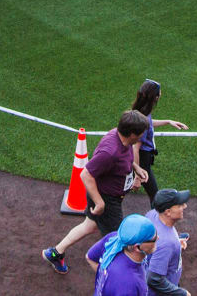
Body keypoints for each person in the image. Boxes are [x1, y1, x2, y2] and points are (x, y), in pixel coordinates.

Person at [42, 110, 148, 274]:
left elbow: (125, 157)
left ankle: (55, 253)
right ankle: (113, 276)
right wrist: (99, 202)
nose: (143, 136)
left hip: (108, 196)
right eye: (141, 133)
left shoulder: (119, 136)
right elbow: (85, 174)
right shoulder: (110, 153)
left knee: (89, 226)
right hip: (107, 200)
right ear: (132, 133)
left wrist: (136, 167)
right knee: (118, 240)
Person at [130, 79, 188, 206]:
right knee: (155, 195)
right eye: (159, 92)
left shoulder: (142, 111)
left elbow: (149, 122)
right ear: (154, 97)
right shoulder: (143, 117)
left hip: (143, 159)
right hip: (142, 160)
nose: (161, 94)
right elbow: (135, 148)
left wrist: (168, 121)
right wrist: (138, 176)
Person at [84, 214, 158, 295]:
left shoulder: (114, 238)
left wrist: (107, 276)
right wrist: (113, 277)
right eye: (153, 238)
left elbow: (89, 257)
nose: (158, 238)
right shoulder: (129, 284)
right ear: (137, 247)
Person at [142, 189, 191, 296]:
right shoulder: (167, 243)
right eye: (179, 205)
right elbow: (154, 279)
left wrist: (176, 242)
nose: (185, 206)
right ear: (168, 212)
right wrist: (181, 293)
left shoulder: (152, 215)